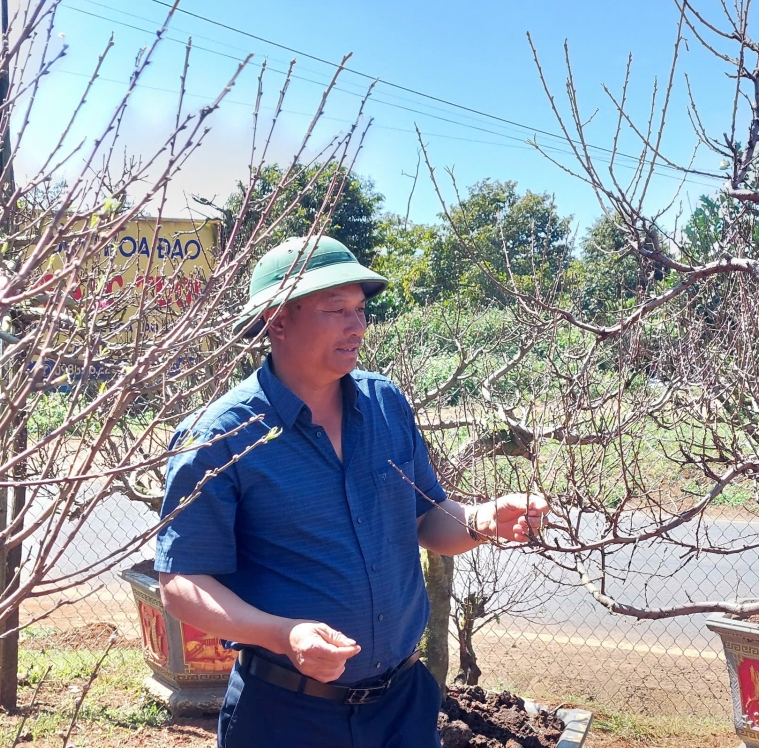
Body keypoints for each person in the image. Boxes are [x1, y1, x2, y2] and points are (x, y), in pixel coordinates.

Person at [154, 235, 548, 748]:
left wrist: (481, 520)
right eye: (336, 309)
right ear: (277, 321)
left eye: (360, 309)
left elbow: (429, 519)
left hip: (402, 710)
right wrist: (284, 634)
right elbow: (181, 583)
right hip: (285, 717)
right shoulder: (221, 436)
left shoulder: (385, 404)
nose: (357, 325)